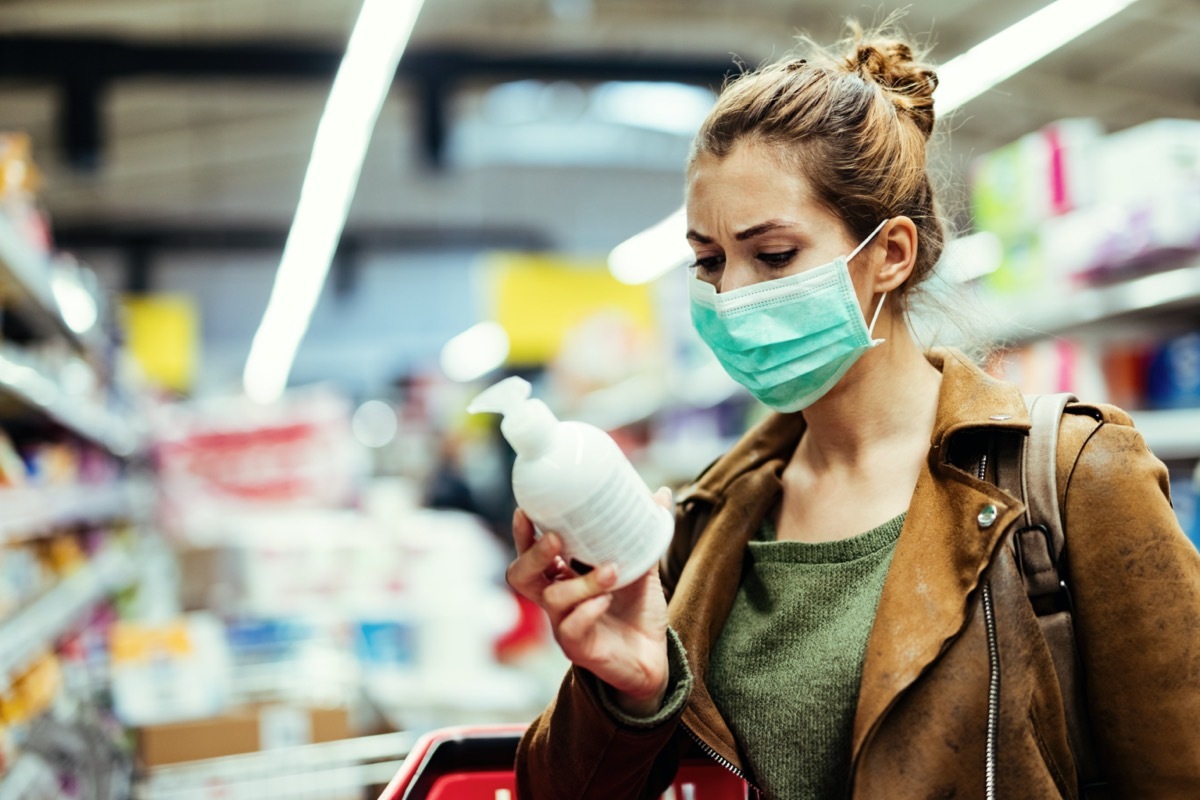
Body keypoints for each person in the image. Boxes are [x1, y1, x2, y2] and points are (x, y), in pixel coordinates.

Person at [505, 20, 1200, 800]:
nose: (729, 294)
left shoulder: (1070, 476)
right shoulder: (710, 519)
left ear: (890, 254)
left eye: (772, 255)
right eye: (707, 260)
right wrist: (626, 691)